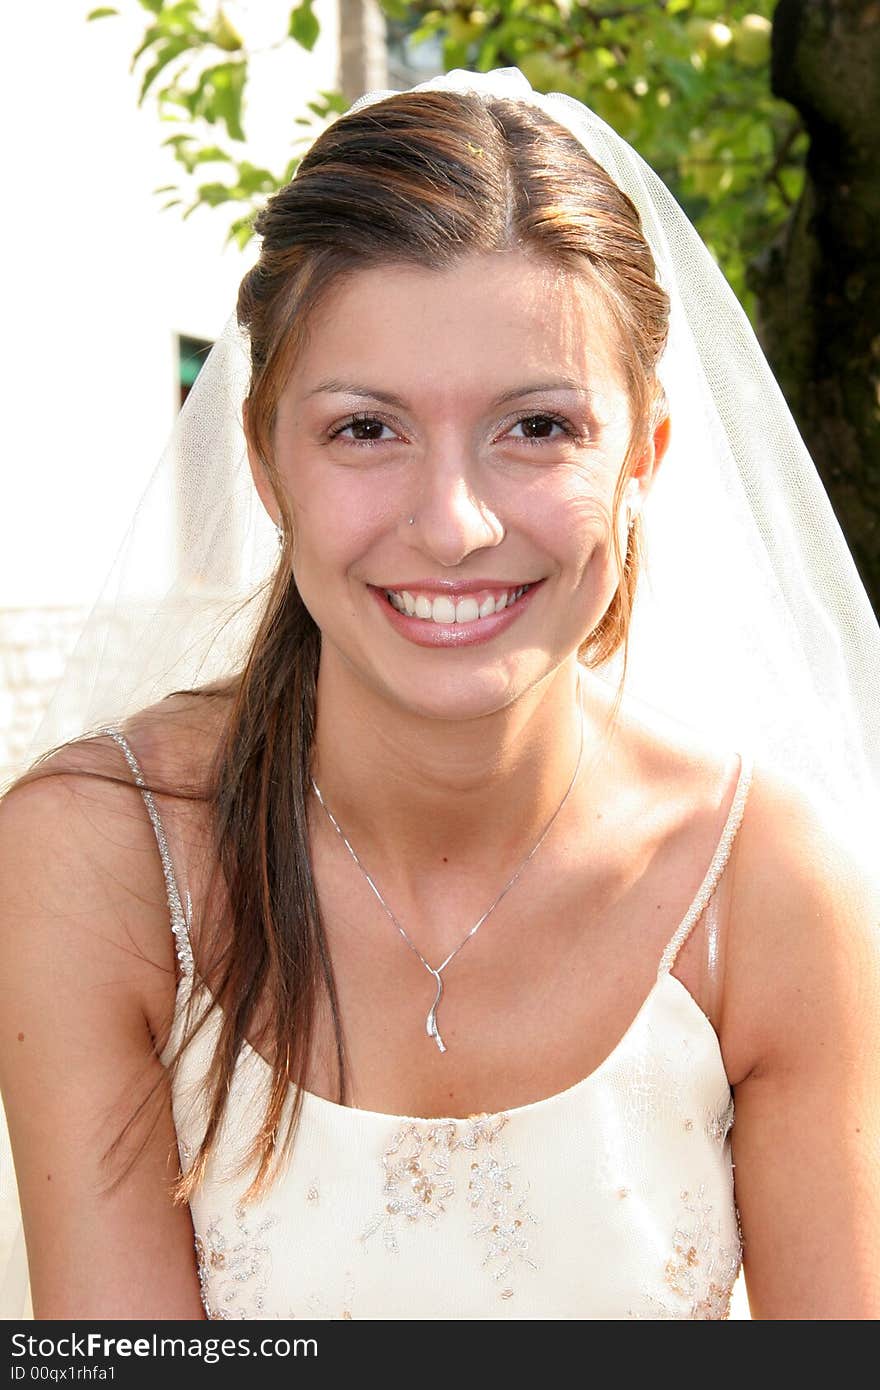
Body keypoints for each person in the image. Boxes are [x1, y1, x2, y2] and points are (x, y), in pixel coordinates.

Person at [0, 65, 878, 1322]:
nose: (453, 524)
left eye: (536, 428)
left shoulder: (772, 891)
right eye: (366, 429)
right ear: (266, 462)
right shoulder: (97, 859)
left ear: (646, 460)